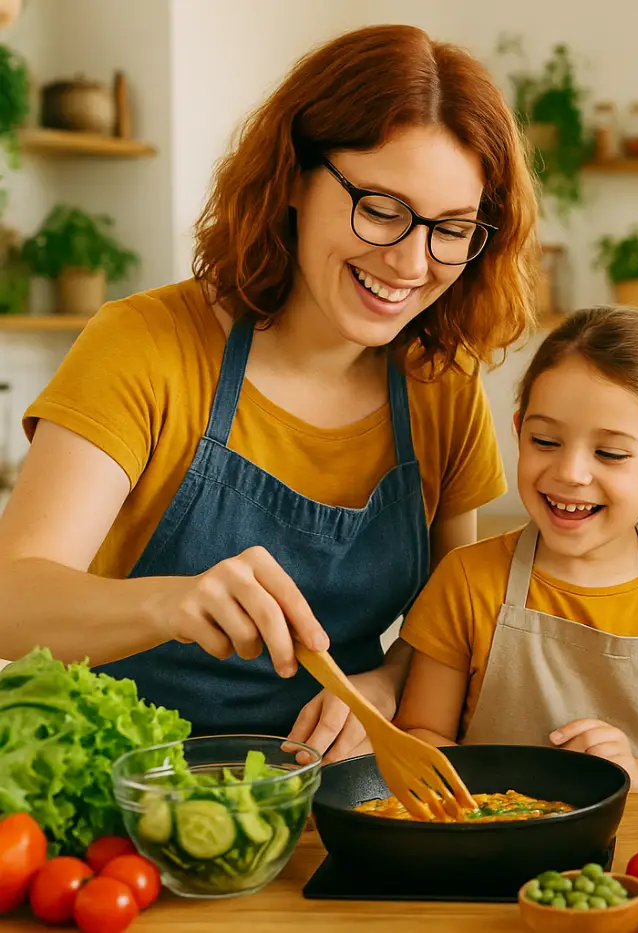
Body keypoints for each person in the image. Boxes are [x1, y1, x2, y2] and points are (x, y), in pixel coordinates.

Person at [0, 24, 538, 761]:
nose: (412, 262)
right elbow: (12, 599)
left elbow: (445, 622)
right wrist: (170, 601)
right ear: (292, 174)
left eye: (451, 228)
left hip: (329, 795)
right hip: (122, 795)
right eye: (380, 208)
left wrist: (384, 685)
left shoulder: (441, 385)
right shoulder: (145, 345)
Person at [392, 307, 638, 793]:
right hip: (491, 844)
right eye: (546, 440)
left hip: (637, 858)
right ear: (519, 432)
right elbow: (418, 736)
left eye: (610, 453)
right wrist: (516, 789)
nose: (571, 472)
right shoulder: (467, 578)